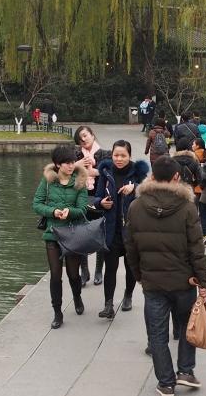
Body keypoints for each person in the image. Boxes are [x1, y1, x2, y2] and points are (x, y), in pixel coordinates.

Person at [124, 156, 206, 396]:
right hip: (183, 280)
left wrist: (139, 275)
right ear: (176, 177)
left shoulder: (136, 207)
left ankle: (166, 383)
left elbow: (130, 247)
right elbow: (196, 249)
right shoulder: (187, 207)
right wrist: (204, 282)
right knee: (186, 325)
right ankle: (186, 371)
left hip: (152, 282)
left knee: (157, 333)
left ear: (152, 177)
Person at [31, 144, 89, 330]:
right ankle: (57, 312)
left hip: (72, 233)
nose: (71, 166)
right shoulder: (48, 181)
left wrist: (69, 212)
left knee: (73, 274)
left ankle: (77, 297)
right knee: (55, 275)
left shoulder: (80, 181)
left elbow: (82, 209)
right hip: (53, 233)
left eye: (73, 162)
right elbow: (37, 204)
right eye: (67, 163)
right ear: (57, 164)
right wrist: (53, 211)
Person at [93, 140, 149, 319]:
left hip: (132, 229)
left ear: (129, 156)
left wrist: (135, 188)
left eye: (123, 155)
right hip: (111, 229)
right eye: (116, 155)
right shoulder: (105, 171)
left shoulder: (138, 172)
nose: (119, 159)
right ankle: (108, 304)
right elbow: (97, 197)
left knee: (130, 266)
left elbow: (148, 195)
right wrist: (101, 203)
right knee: (110, 267)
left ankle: (128, 295)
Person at [74, 125, 107, 285]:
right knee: (81, 235)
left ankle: (99, 270)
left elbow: (113, 171)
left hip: (100, 198)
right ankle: (84, 270)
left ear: (92, 135)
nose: (84, 139)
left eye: (85, 135)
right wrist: (78, 164)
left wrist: (97, 171)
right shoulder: (75, 155)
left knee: (100, 233)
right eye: (80, 138)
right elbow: (63, 172)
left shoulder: (105, 154)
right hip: (81, 198)